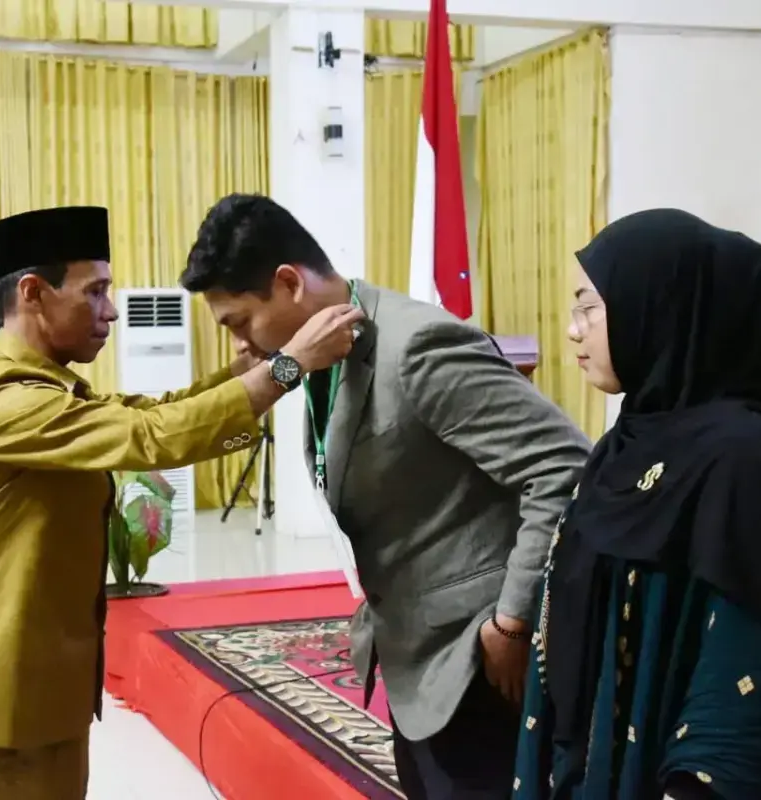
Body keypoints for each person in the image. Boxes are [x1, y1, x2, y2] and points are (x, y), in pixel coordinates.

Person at [0, 206, 364, 799]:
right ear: (33, 293)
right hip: (3, 704)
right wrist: (288, 368)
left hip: (36, 695)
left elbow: (153, 411)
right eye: (95, 291)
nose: (109, 311)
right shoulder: (8, 402)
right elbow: (153, 437)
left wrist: (246, 371)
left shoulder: (47, 385)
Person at [180, 194, 590, 799]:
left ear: (289, 283)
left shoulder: (416, 346)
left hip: (475, 658)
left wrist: (511, 621)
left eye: (240, 322)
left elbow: (563, 465)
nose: (240, 345)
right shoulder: (321, 360)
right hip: (411, 657)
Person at [512, 209, 761, 798]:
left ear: (659, 308)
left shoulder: (743, 462)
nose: (573, 331)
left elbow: (742, 669)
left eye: (589, 308)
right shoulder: (626, 442)